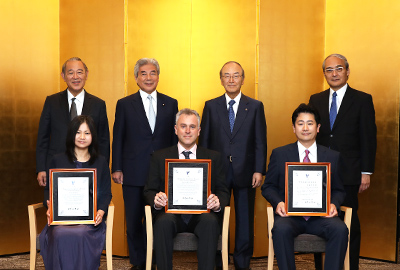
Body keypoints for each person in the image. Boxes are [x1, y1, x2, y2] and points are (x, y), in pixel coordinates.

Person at [309, 54, 377, 270]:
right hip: (320, 172)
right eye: (329, 70)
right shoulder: (315, 99)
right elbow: (310, 135)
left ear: (347, 71)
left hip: (349, 172)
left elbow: (368, 138)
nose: (334, 73)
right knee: (321, 222)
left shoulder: (362, 100)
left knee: (350, 223)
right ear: (324, 74)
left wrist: (366, 172)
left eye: (339, 69)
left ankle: (351, 266)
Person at [261, 103, 348, 270]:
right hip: (290, 216)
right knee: (280, 230)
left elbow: (338, 189)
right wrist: (278, 202)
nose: (305, 128)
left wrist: (333, 204)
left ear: (318, 127)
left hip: (321, 218)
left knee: (340, 229)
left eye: (310, 123)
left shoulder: (332, 156)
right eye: (300, 123)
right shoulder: (280, 154)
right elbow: (268, 187)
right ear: (294, 128)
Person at [199, 61, 267, 270]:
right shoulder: (211, 106)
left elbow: (260, 141)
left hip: (246, 171)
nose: (231, 80)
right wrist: (205, 171)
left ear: (243, 79)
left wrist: (258, 169)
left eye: (235, 75)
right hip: (217, 173)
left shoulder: (255, 106)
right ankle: (219, 260)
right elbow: (205, 142)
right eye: (226, 76)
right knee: (216, 218)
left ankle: (242, 262)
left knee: (245, 220)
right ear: (221, 80)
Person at [143, 108, 230, 270]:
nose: (188, 131)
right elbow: (149, 190)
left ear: (199, 130)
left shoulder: (213, 157)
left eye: (192, 126)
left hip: (202, 216)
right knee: (162, 222)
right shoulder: (160, 156)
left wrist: (218, 202)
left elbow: (223, 190)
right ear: (176, 130)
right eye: (183, 126)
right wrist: (156, 200)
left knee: (210, 221)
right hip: (171, 214)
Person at [112, 58, 178, 269]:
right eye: (143, 73)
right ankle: (139, 262)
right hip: (132, 171)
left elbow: (173, 140)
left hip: (161, 173)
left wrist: (174, 170)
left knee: (160, 220)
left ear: (158, 76)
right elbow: (118, 137)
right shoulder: (124, 104)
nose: (148, 77)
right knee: (133, 220)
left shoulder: (171, 103)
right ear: (136, 77)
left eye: (152, 73)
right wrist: (117, 167)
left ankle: (157, 260)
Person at [39, 115, 112, 270]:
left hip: (90, 221)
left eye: (87, 133)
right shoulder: (57, 160)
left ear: (93, 136)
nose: (82, 137)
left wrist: (101, 210)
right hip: (62, 220)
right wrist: (50, 207)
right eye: (78, 132)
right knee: (59, 233)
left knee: (81, 233)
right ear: (71, 134)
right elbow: (48, 190)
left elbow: (106, 193)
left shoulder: (101, 162)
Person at [36, 57, 110, 187]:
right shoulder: (51, 102)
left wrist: (102, 169)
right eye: (71, 73)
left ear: (86, 74)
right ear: (63, 76)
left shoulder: (98, 104)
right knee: (56, 204)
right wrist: (41, 168)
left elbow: (103, 140)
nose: (75, 77)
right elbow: (43, 137)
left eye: (80, 72)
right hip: (56, 167)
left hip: (89, 167)